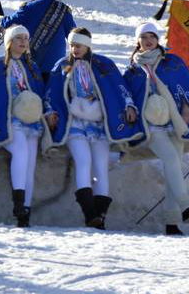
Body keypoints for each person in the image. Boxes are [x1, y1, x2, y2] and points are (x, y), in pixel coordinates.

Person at [122, 22, 189, 235]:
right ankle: (186, 205)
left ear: (158, 39)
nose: (149, 41)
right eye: (144, 37)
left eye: (152, 36)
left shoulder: (172, 63)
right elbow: (127, 95)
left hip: (175, 123)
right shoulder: (133, 70)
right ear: (138, 41)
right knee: (171, 160)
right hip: (151, 126)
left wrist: (187, 109)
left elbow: (186, 88)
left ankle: (172, 224)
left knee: (174, 169)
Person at [43, 27, 142, 230]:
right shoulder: (62, 66)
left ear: (87, 45)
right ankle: (90, 215)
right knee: (83, 162)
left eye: (78, 45)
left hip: (99, 123)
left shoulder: (103, 64)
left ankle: (100, 218)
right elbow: (51, 93)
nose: (74, 49)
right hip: (75, 123)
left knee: (100, 167)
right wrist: (50, 111)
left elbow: (120, 87)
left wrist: (129, 105)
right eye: (71, 45)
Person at [0, 25, 46, 228]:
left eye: (25, 38)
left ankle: (25, 213)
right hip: (7, 119)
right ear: (8, 42)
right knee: (20, 151)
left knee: (30, 163)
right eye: (18, 38)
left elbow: (40, 91)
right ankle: (18, 203)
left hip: (30, 120)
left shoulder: (32, 67)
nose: (23, 42)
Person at [0, 0, 76, 82]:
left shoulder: (28, 7)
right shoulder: (62, 9)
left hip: (32, 67)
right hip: (56, 67)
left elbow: (9, 22)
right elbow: (74, 37)